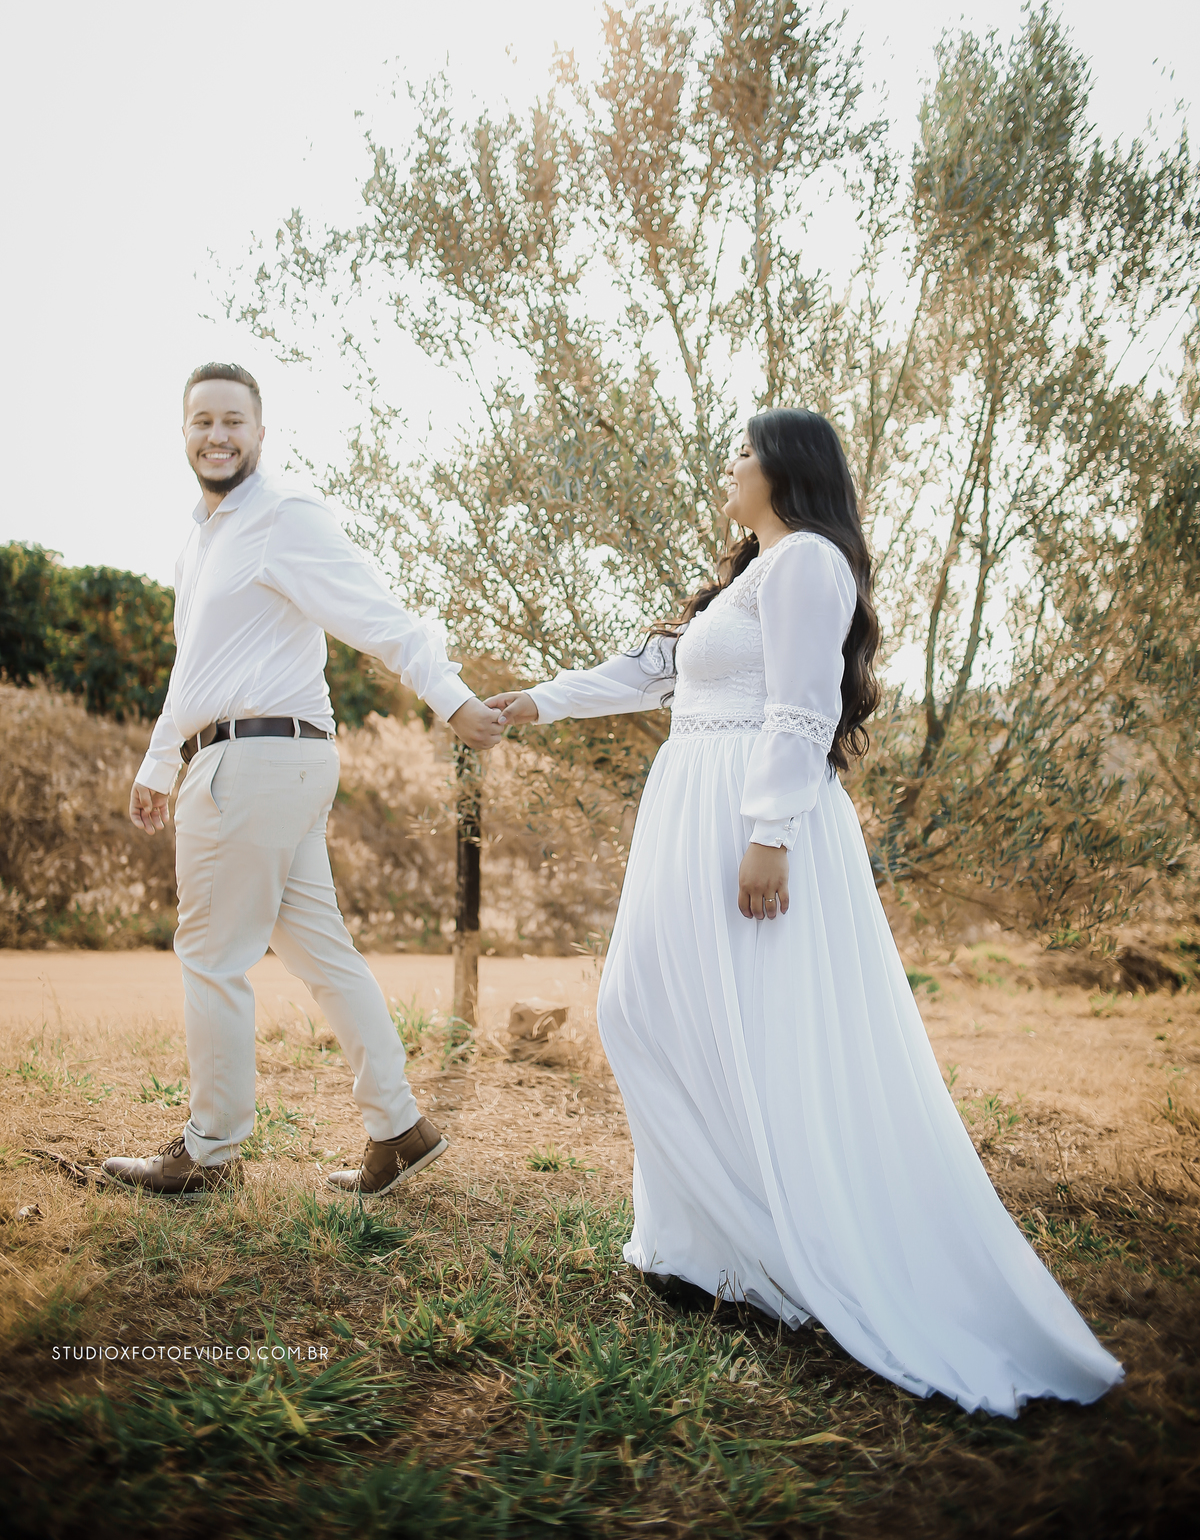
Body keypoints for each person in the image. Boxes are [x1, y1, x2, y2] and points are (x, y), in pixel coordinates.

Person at [487, 407, 1123, 1418]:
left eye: (742, 452)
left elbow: (800, 705)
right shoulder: (749, 576)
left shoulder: (809, 564)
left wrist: (771, 832)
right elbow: (649, 673)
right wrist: (534, 702)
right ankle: (714, 1247)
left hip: (747, 816)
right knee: (644, 1011)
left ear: (785, 468)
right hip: (690, 810)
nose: (728, 465)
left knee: (755, 1032)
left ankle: (760, 1256)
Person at [105, 362, 504, 1199]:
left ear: (260, 431)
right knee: (319, 950)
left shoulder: (283, 515)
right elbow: (196, 667)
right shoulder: (200, 541)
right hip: (260, 759)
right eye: (202, 420)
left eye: (233, 421)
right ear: (184, 432)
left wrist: (451, 698)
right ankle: (399, 1128)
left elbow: (377, 613)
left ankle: (209, 1151)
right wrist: (159, 759)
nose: (217, 435)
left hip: (254, 760)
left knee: (211, 956)